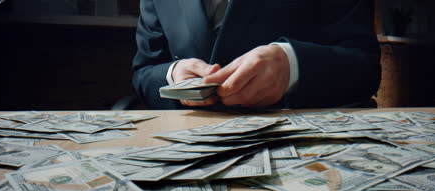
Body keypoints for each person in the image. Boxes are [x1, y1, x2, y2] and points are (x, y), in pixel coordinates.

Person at [132, 0, 381, 109]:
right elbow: (144, 71)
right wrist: (172, 75)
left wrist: (292, 65)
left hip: (300, 151)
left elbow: (365, 67)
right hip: (190, 151)